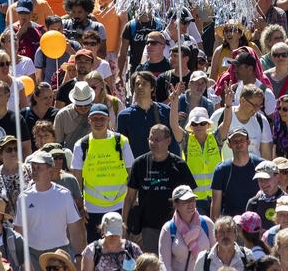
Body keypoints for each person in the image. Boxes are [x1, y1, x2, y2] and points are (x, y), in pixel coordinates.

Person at [125, 124, 196, 251]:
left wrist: (191, 224)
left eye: (157, 139)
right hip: (147, 228)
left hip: (175, 226)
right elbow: (130, 197)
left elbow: (190, 199)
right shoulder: (139, 164)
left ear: (168, 141)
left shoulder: (179, 165)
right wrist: (125, 226)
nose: (153, 142)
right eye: (150, 139)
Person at [73, 103, 136, 241]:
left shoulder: (121, 141)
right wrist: (80, 206)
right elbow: (76, 179)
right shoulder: (81, 145)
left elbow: (131, 173)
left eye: (102, 118)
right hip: (92, 209)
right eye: (94, 118)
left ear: (108, 120)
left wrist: (132, 201)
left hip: (120, 205)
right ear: (89, 120)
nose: (98, 122)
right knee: (96, 249)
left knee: (121, 246)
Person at [21, 150, 86, 261]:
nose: (35, 172)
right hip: (33, 256)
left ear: (50, 170)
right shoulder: (23, 197)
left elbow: (75, 230)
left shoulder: (64, 195)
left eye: (39, 168)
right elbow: (20, 231)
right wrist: (24, 261)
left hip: (60, 254)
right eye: (33, 168)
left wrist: (78, 256)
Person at [160, 185, 217, 271]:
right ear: (176, 204)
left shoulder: (207, 223)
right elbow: (164, 264)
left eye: (192, 200)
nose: (190, 204)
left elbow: (217, 256)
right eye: (185, 201)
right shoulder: (168, 229)